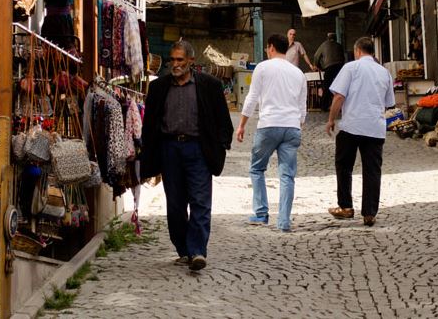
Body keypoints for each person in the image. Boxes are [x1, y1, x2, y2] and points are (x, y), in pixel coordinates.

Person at [141, 40, 233, 271]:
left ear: (191, 61)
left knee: (201, 202)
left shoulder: (209, 85)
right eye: (172, 60)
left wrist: (221, 144)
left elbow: (223, 119)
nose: (175, 64)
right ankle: (183, 248)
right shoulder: (159, 87)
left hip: (198, 149)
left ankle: (197, 251)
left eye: (180, 60)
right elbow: (150, 123)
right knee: (175, 205)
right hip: (170, 150)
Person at [235, 33, 307, 232]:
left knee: (257, 169)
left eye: (267, 48)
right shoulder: (298, 74)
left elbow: (251, 98)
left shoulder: (263, 68)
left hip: (268, 125)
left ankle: (261, 214)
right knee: (287, 176)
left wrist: (241, 125)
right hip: (292, 127)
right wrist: (296, 126)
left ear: (271, 47)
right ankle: (284, 221)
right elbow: (303, 108)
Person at [325, 37, 394, 227]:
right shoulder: (384, 73)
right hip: (375, 127)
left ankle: (346, 207)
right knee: (372, 170)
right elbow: (389, 103)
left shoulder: (351, 68)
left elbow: (339, 96)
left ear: (357, 51)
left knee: (344, 166)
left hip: (351, 125)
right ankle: (369, 213)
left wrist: (331, 119)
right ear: (373, 52)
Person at [313, 32, 345, 110]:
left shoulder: (324, 45)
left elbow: (316, 56)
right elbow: (343, 57)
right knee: (340, 86)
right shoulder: (339, 45)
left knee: (327, 86)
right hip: (340, 67)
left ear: (328, 38)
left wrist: (318, 66)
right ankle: (341, 105)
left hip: (329, 67)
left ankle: (324, 106)